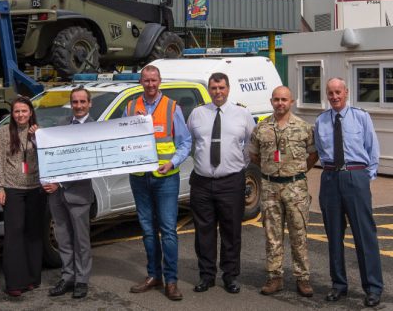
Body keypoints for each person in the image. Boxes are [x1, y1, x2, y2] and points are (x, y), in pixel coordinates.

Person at [124, 65, 192, 301]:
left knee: (168, 230)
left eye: (154, 80)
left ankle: (171, 281)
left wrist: (172, 163)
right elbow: (121, 138)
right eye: (146, 80)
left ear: (160, 81)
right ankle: (154, 276)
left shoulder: (172, 107)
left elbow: (185, 142)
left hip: (166, 178)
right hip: (140, 178)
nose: (150, 84)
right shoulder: (130, 107)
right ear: (140, 82)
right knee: (147, 230)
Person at [315, 77, 383, 307]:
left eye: (338, 92)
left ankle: (373, 287)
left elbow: (372, 149)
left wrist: (365, 178)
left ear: (346, 92)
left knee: (364, 235)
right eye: (330, 93)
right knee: (334, 235)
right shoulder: (321, 121)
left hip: (355, 176)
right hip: (330, 179)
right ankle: (338, 285)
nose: (334, 96)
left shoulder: (361, 117)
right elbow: (320, 151)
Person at [187, 72, 255, 294]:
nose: (218, 92)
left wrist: (239, 164)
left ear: (228, 89)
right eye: (214, 88)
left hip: (231, 181)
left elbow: (251, 144)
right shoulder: (197, 114)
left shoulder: (242, 114)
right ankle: (206, 275)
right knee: (203, 232)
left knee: (231, 231)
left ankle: (230, 276)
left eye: (222, 88)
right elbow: (189, 143)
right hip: (201, 182)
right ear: (209, 89)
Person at [248, 86, 318, 297]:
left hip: (296, 188)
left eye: (284, 99)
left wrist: (296, 172)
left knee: (299, 235)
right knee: (272, 235)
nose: (280, 103)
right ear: (271, 101)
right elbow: (254, 156)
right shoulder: (261, 128)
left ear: (291, 102)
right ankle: (274, 277)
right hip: (270, 188)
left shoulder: (304, 128)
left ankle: (302, 278)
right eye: (276, 99)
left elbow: (313, 155)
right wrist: (271, 170)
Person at [0, 96, 46, 297]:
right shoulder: (4, 132)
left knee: (33, 233)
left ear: (30, 113)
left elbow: (48, 157)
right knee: (14, 234)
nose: (21, 115)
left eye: (24, 111)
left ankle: (31, 278)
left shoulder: (39, 132)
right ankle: (14, 282)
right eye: (17, 111)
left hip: (35, 188)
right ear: (12, 114)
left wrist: (38, 138)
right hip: (12, 188)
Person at [42, 87, 95, 299]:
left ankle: (81, 280)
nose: (79, 106)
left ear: (89, 103)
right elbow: (53, 155)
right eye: (75, 102)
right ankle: (67, 276)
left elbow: (87, 164)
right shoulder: (61, 124)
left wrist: (60, 182)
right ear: (70, 104)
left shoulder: (97, 129)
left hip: (78, 194)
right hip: (56, 195)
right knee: (63, 238)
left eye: (82, 102)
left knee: (81, 240)